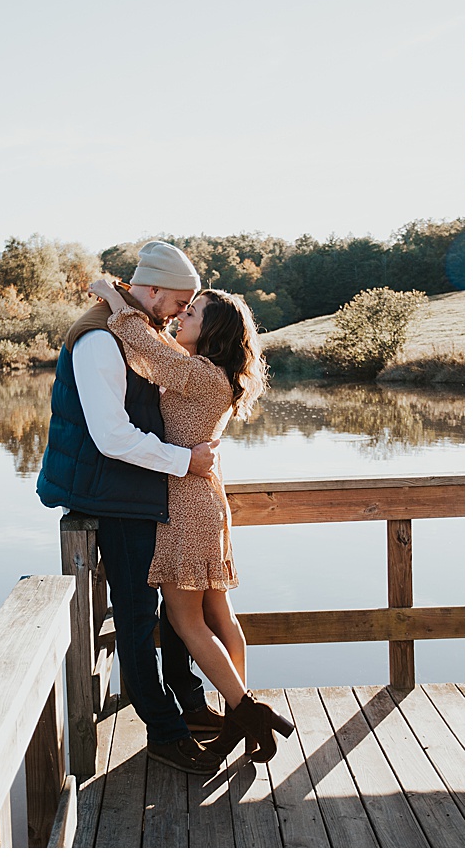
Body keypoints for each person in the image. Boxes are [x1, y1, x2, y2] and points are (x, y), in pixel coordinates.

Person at [86, 276, 296, 762]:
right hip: (205, 500)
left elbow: (144, 347)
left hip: (185, 504)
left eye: (192, 313)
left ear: (213, 332)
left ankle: (245, 709)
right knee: (218, 613)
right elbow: (158, 346)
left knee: (186, 620)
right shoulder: (213, 372)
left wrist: (115, 298)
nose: (180, 317)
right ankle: (239, 707)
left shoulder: (199, 374)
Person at [37, 241, 225, 775]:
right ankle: (166, 733)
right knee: (139, 618)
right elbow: (112, 437)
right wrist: (185, 461)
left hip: (140, 489)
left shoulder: (137, 326)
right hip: (112, 494)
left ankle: (187, 706)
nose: (183, 313)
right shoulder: (99, 339)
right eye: (180, 301)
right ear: (156, 290)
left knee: (170, 609)